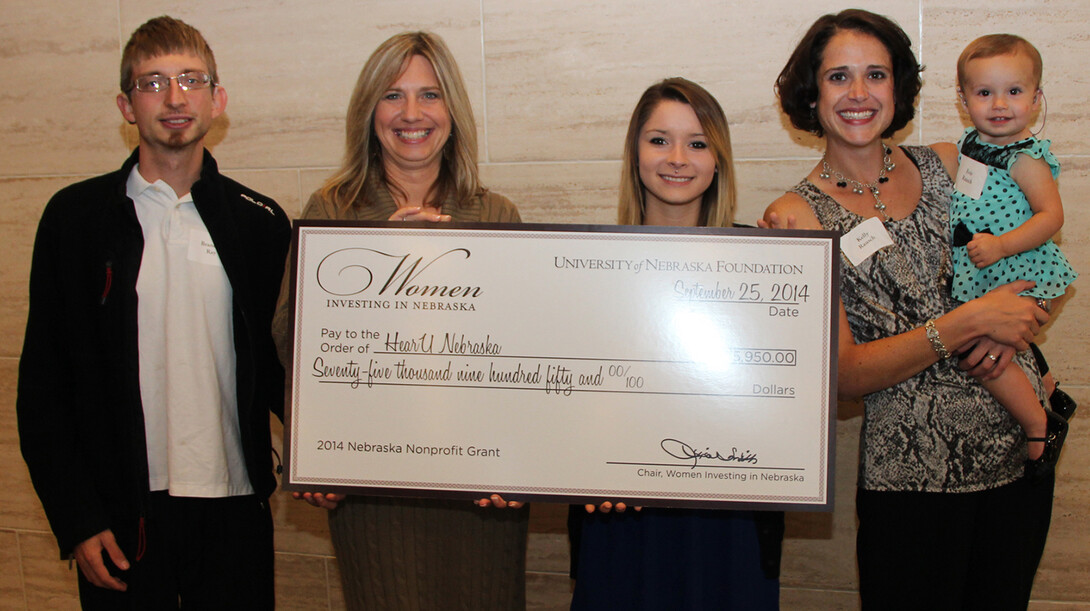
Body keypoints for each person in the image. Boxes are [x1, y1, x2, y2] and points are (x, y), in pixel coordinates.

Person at [764, 9, 1057, 608]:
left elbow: (1035, 256)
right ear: (811, 93)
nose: (858, 94)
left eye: (876, 74)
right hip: (911, 482)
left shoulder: (951, 164)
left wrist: (1017, 322)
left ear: (897, 87)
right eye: (838, 77)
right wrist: (970, 321)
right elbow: (843, 377)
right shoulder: (796, 218)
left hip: (1018, 454)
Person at [17, 15, 290, 609]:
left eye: (191, 79)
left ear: (217, 99)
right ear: (126, 105)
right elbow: (43, 389)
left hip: (235, 508)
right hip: (121, 518)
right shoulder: (75, 220)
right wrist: (77, 518)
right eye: (152, 82)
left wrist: (342, 452)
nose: (173, 97)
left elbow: (288, 374)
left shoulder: (260, 223)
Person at [271, 31, 527, 610]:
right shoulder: (332, 211)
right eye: (393, 95)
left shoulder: (495, 214)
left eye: (430, 95)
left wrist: (521, 462)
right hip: (373, 492)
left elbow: (519, 353)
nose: (412, 114)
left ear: (452, 111)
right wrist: (389, 265)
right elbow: (293, 338)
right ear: (369, 112)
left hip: (480, 496)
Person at [568, 78, 783, 610]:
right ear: (634, 153)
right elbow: (565, 402)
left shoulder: (766, 264)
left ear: (719, 160)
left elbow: (785, 398)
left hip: (728, 524)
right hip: (618, 517)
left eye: (698, 142)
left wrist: (797, 276)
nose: (678, 158)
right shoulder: (582, 269)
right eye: (659, 139)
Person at [951, 33, 1075, 473]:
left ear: (1036, 99)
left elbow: (1051, 216)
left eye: (1014, 92)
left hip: (1021, 267)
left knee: (978, 352)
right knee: (987, 344)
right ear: (963, 99)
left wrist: (1001, 244)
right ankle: (1045, 383)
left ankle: (1039, 426)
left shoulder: (1024, 157)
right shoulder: (971, 145)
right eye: (985, 93)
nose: (1000, 104)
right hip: (989, 268)